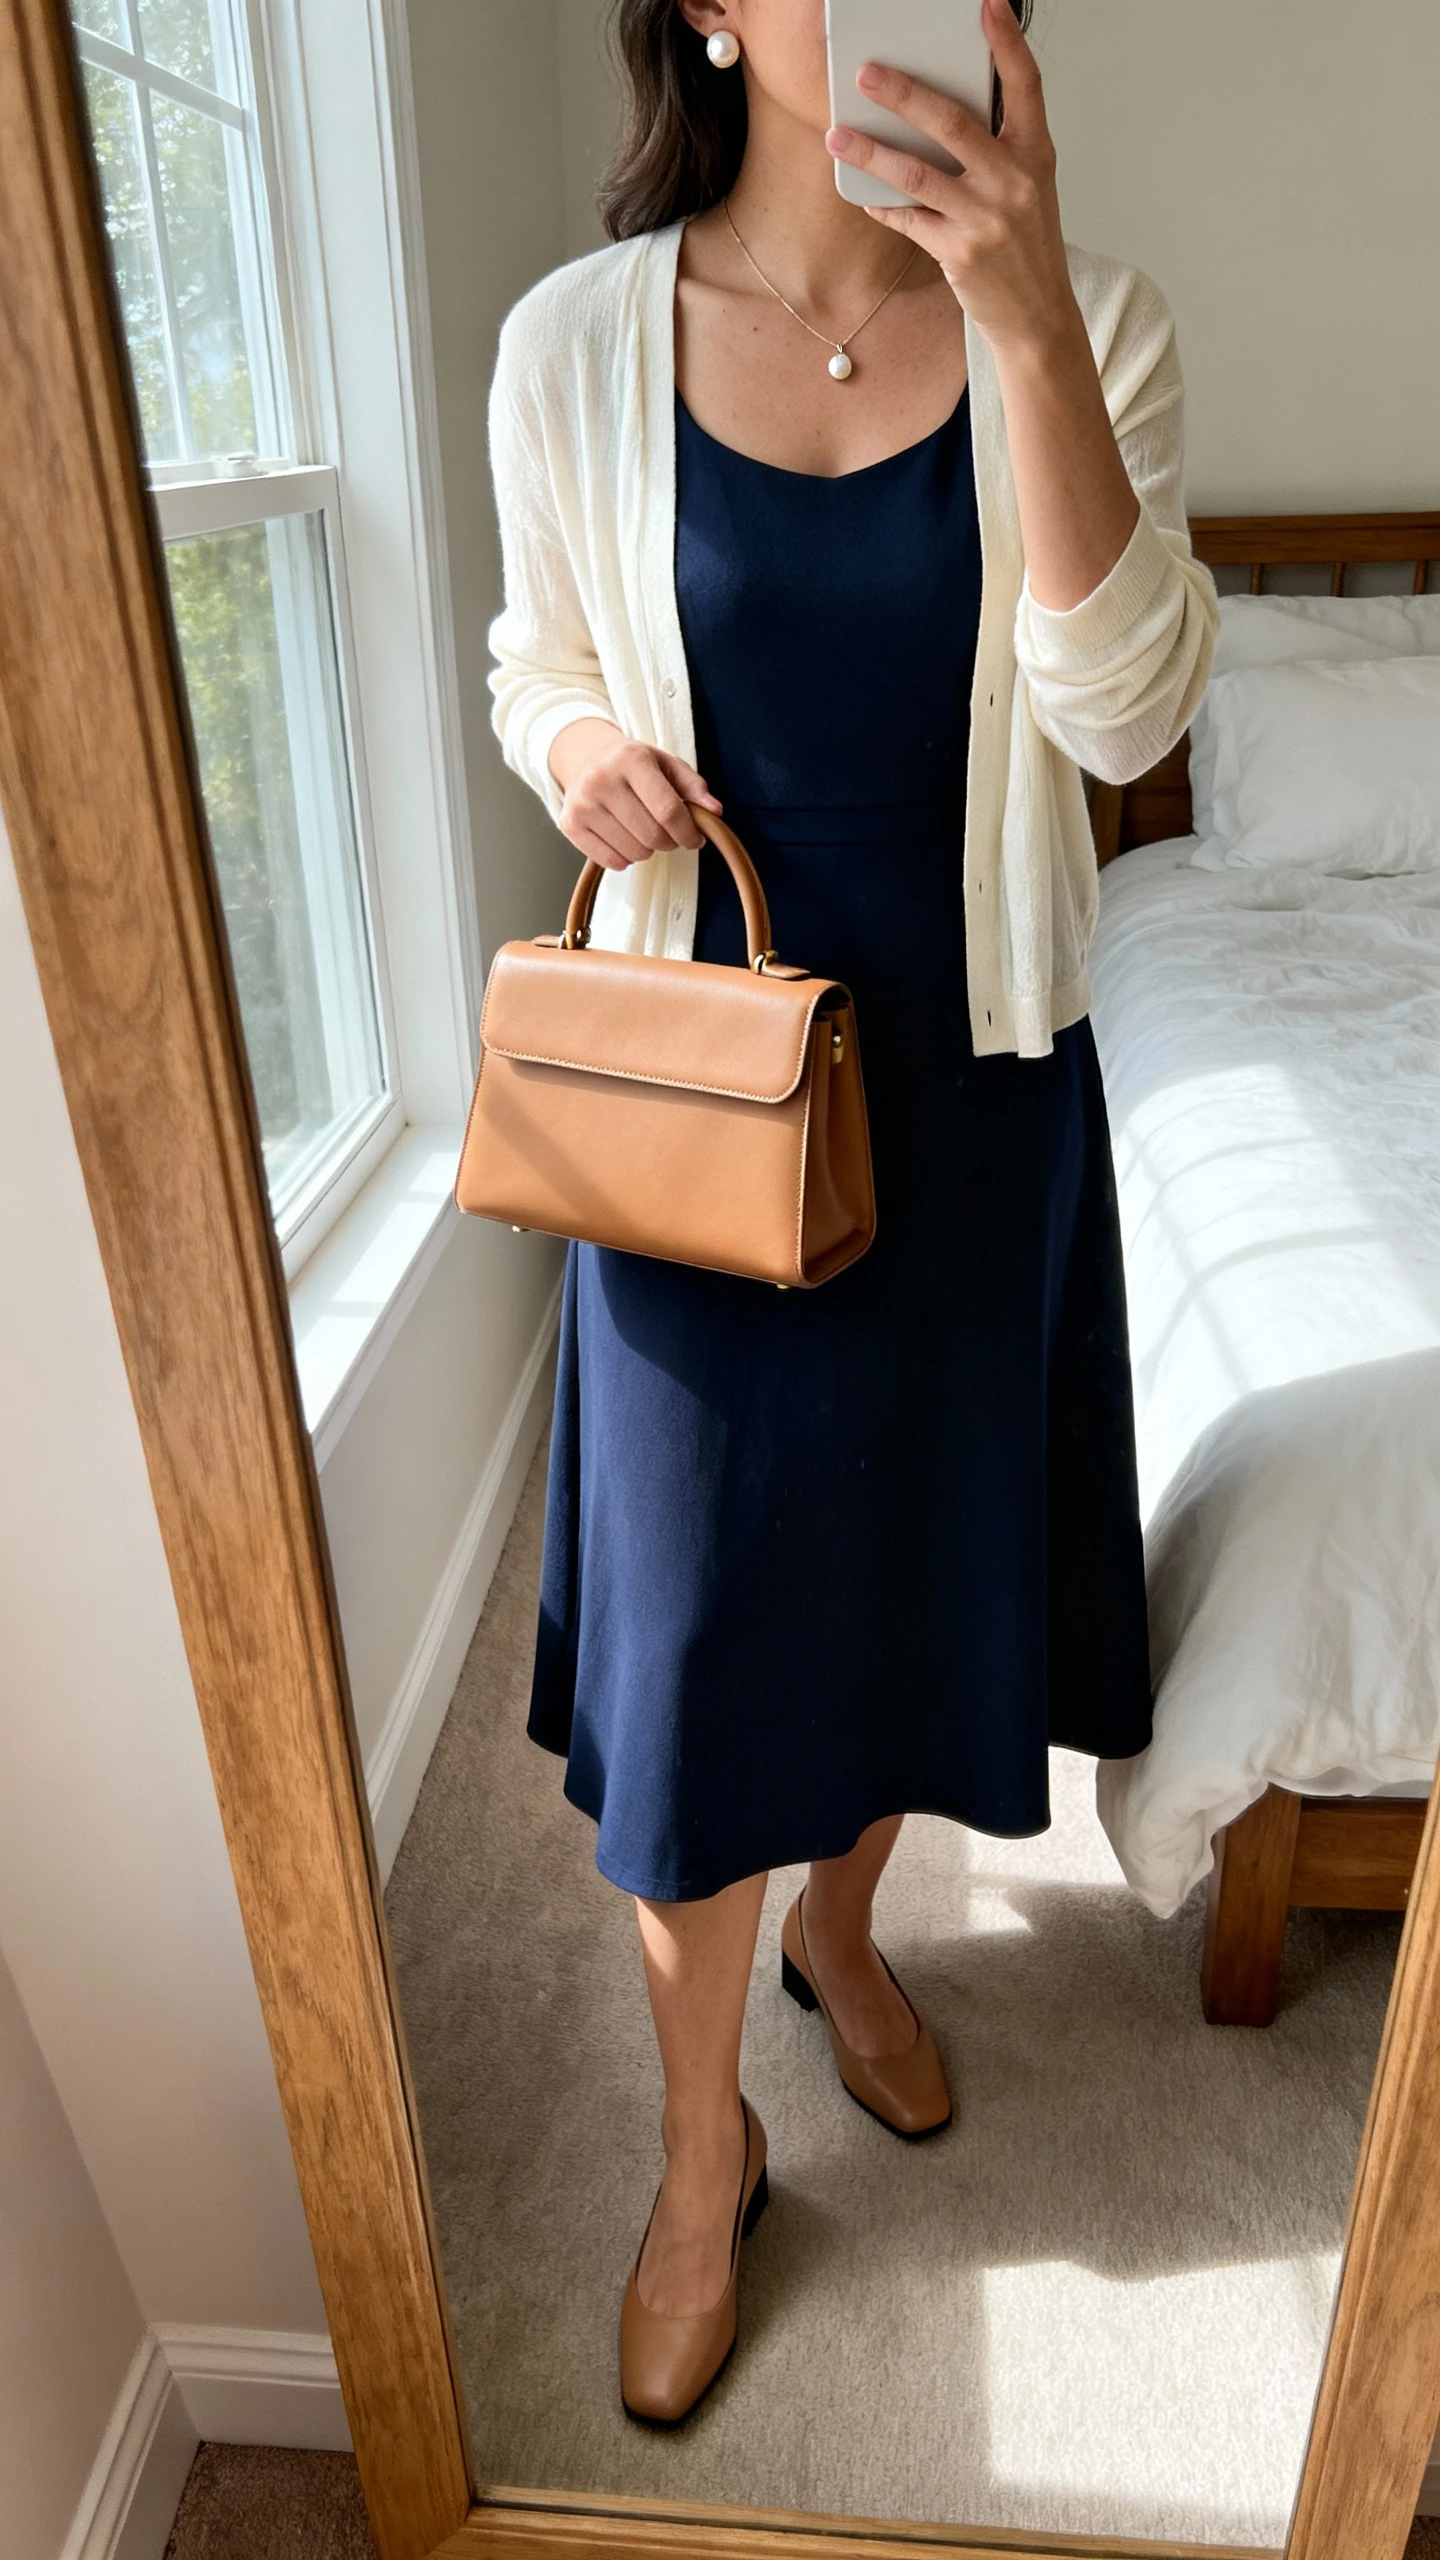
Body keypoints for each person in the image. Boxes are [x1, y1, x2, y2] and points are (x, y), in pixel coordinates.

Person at [487, 0, 1216, 2425]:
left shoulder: (1092, 316)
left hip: (977, 1073)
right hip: (705, 1092)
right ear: (708, 2)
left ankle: (847, 1922)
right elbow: (539, 656)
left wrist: (1014, 308)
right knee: (698, 1672)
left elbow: (1126, 726)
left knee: (907, 1587)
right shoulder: (574, 346)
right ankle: (704, 2160)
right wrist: (581, 744)